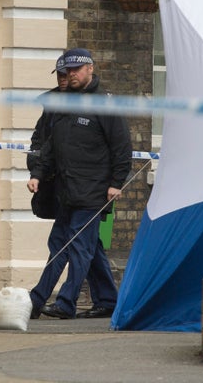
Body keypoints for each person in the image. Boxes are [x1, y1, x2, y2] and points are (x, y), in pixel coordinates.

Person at [27, 48, 132, 319]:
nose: (70, 75)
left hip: (93, 190)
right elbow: (51, 146)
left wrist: (116, 182)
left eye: (75, 70)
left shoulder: (104, 103)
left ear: (90, 69)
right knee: (75, 244)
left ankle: (63, 302)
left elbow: (122, 147)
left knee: (76, 247)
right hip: (66, 190)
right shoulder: (65, 102)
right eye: (67, 71)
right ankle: (107, 300)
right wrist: (37, 174)